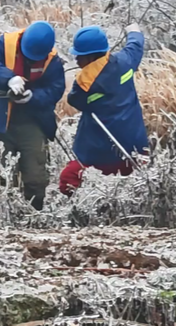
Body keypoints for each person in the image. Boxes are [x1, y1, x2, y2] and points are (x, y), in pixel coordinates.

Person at [0, 21, 66, 210]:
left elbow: (55, 90)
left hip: (33, 122)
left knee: (36, 177)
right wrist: (9, 78)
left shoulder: (53, 61)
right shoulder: (6, 43)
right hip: (0, 122)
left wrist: (32, 97)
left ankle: (35, 217)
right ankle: (5, 219)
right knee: (3, 177)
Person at [59, 23, 149, 196]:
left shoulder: (84, 83)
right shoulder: (125, 61)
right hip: (134, 145)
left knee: (68, 180)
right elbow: (135, 45)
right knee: (131, 188)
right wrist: (134, 31)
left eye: (79, 56)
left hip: (100, 149)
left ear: (90, 57)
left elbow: (74, 101)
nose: (77, 60)